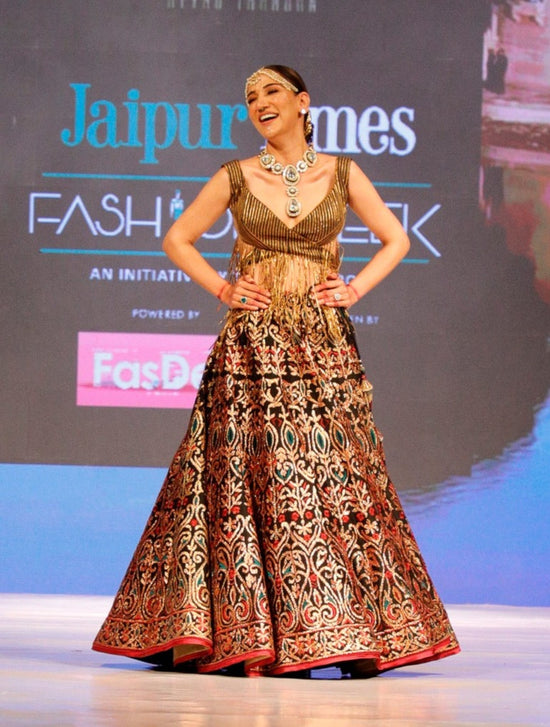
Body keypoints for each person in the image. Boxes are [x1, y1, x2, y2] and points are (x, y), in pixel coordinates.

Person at [92, 65, 460, 677]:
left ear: (302, 103)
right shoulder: (236, 176)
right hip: (253, 350)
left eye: (271, 93)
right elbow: (178, 238)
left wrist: (356, 287)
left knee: (335, 477)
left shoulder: (341, 173)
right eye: (250, 98)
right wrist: (223, 287)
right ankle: (250, 633)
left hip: (324, 348)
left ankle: (347, 631)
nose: (259, 104)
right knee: (253, 479)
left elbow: (396, 238)